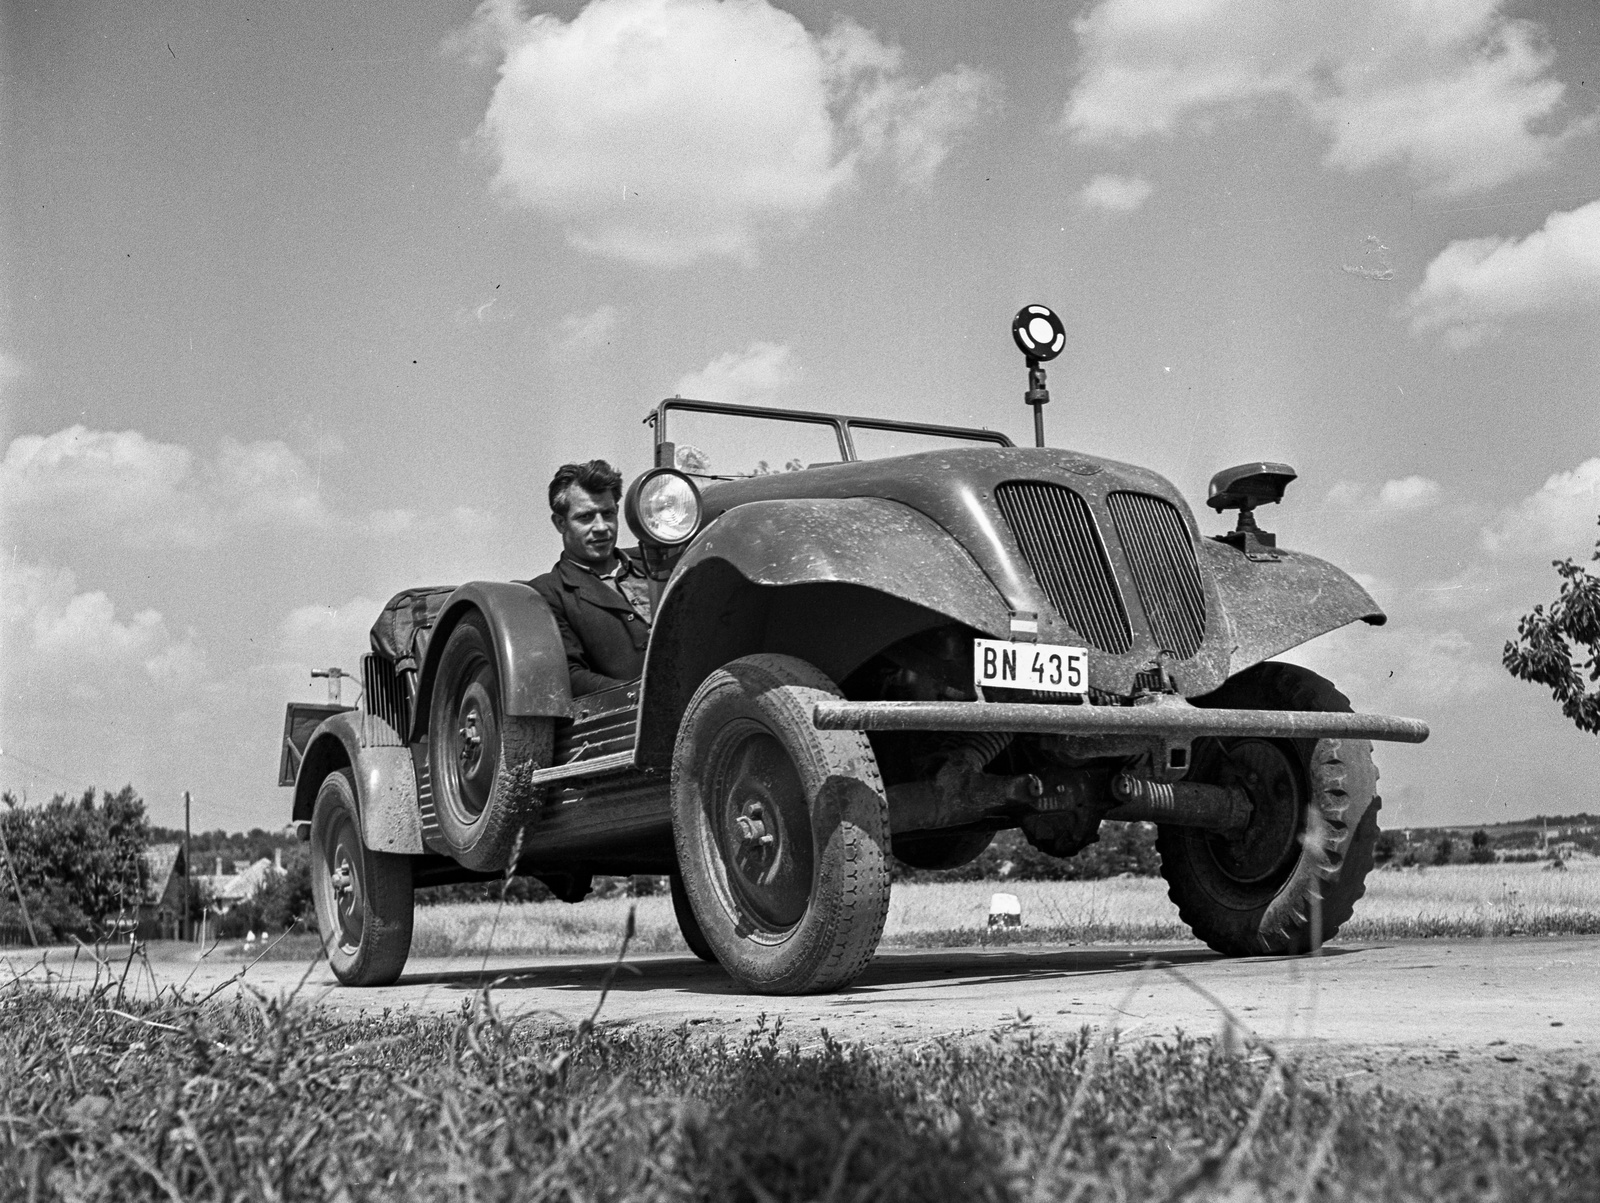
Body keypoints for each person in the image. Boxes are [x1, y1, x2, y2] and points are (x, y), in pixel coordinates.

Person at [526, 460, 652, 697]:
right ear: (560, 523)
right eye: (586, 517)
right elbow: (569, 675)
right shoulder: (547, 593)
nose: (602, 527)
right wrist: (640, 695)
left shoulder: (656, 563)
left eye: (608, 513)